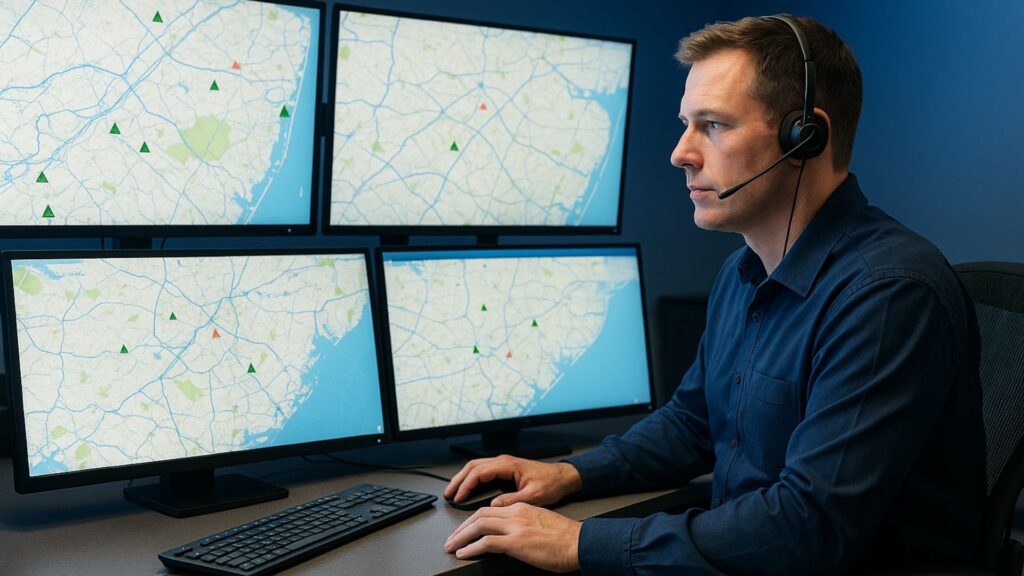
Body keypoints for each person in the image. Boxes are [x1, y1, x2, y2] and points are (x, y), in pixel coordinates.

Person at [443, 14, 985, 575]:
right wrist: (575, 473)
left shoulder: (888, 294)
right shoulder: (743, 271)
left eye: (714, 125)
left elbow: (808, 525)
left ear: (805, 137)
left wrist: (579, 544)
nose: (681, 152)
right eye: (686, 124)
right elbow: (694, 421)